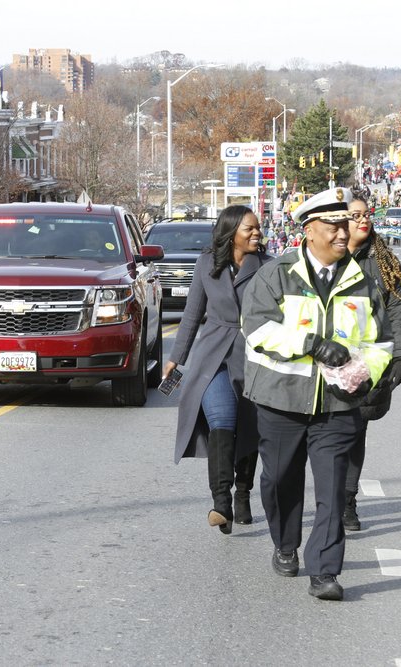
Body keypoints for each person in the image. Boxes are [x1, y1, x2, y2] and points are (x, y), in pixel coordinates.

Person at [241, 187, 394, 601]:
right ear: (310, 230)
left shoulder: (363, 280)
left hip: (338, 405)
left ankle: (325, 570)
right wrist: (310, 343)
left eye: (346, 225)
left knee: (331, 486)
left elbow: (382, 340)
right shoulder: (276, 273)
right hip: (281, 399)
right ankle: (285, 544)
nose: (344, 233)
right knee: (278, 480)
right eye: (334, 226)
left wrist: (366, 374)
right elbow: (256, 329)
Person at [164, 205, 270, 534]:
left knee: (249, 426)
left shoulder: (268, 266)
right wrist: (175, 358)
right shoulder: (205, 264)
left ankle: (243, 492)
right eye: (248, 229)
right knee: (222, 422)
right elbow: (192, 315)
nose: (256, 233)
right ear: (231, 233)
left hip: (255, 356)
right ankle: (221, 502)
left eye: (257, 228)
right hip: (213, 356)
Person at [342, 197, 401, 532]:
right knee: (325, 435)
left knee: (355, 431)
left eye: (366, 215)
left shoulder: (384, 261)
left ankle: (346, 500)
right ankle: (324, 497)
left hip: (369, 362)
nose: (363, 220)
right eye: (354, 215)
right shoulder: (324, 256)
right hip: (324, 362)